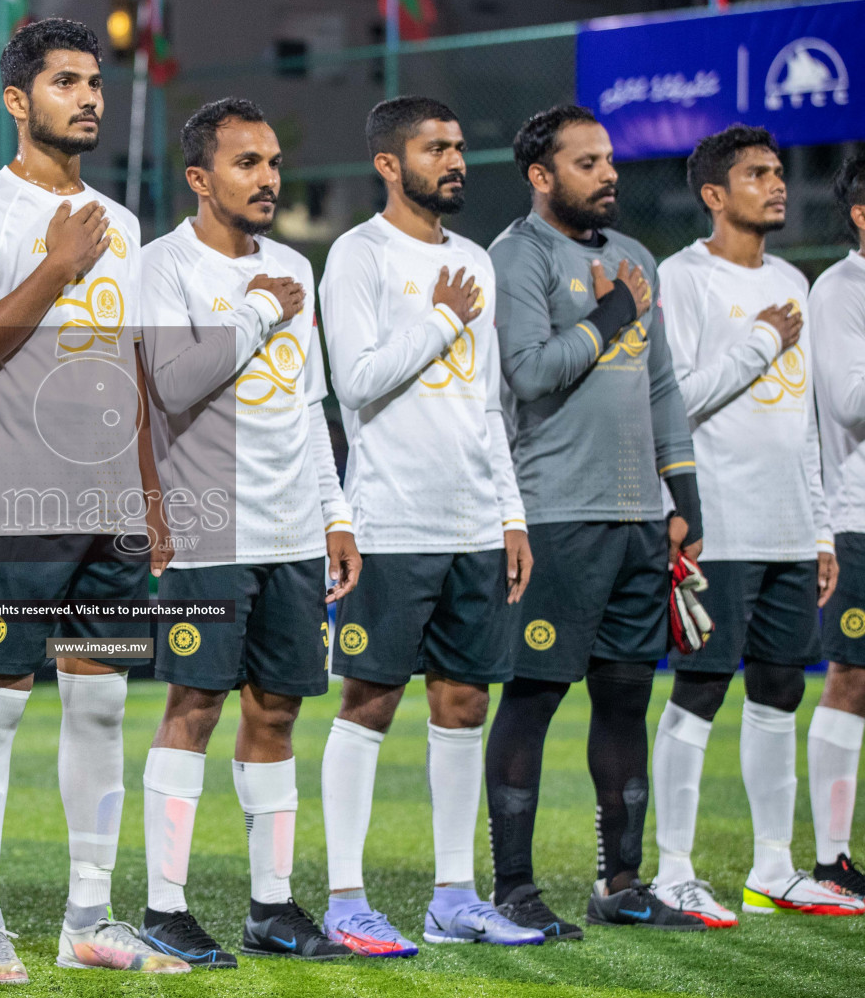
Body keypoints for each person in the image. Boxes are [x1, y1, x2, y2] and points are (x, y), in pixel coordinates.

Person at [0, 18, 186, 977]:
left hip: (112, 515)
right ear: (16, 100)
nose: (87, 97)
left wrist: (151, 492)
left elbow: (129, 367)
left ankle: (88, 918)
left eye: (94, 82)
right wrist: (54, 265)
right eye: (65, 82)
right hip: (17, 511)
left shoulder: (121, 223)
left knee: (100, 707)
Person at [133, 98, 359, 968]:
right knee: (193, 706)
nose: (267, 178)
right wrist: (259, 312)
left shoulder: (297, 265)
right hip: (209, 527)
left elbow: (310, 410)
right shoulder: (166, 266)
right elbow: (177, 382)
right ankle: (164, 906)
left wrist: (334, 515)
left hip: (294, 530)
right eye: (246, 163)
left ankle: (271, 908)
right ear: (200, 177)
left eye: (272, 162)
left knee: (278, 711)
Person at [317, 96, 543, 953]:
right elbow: (359, 382)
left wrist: (510, 513)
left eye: (457, 145)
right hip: (391, 520)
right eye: (435, 148)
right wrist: (441, 319)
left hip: (472, 522)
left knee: (463, 701)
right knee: (369, 700)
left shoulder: (477, 261)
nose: (454, 160)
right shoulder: (358, 255)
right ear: (389, 163)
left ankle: (454, 896)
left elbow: (487, 405)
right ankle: (345, 898)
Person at [484, 104, 707, 936]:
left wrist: (684, 499)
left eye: (609, 160)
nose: (608, 174)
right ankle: (513, 888)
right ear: (542, 177)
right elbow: (532, 373)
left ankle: (620, 883)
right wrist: (610, 316)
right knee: (536, 696)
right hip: (556, 516)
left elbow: (662, 390)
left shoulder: (635, 257)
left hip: (636, 521)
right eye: (587, 163)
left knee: (624, 702)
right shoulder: (517, 255)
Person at [651, 125, 861, 924]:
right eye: (757, 175)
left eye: (778, 172)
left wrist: (816, 530)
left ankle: (773, 866)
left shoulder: (795, 279)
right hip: (718, 525)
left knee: (779, 691)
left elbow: (804, 422)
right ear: (714, 194)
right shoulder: (684, 277)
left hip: (785, 526)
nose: (777, 185)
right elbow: (680, 400)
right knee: (701, 689)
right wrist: (764, 340)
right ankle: (675, 867)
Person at [810, 151, 865, 904]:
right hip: (856, 515)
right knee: (852, 679)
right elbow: (851, 401)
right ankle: (830, 859)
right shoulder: (837, 290)